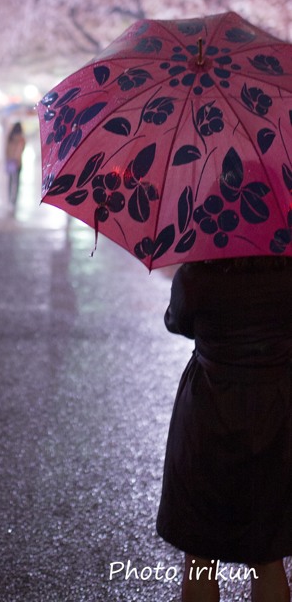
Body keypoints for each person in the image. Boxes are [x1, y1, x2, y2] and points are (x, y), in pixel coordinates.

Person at [156, 256, 292, 602]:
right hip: (276, 412)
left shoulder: (197, 276)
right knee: (267, 555)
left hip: (207, 412)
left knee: (200, 557)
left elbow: (177, 321)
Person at [5, 121, 26, 206]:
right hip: (18, 162)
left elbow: (6, 149)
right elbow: (22, 149)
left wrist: (8, 158)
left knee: (10, 180)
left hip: (10, 161)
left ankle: (10, 197)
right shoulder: (21, 139)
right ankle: (14, 199)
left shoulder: (10, 137)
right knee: (17, 181)